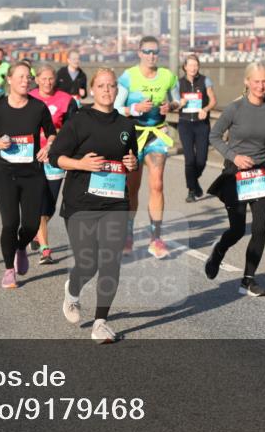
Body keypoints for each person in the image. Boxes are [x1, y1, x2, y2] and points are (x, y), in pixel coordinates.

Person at [48, 68, 139, 343]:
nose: (107, 90)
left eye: (111, 86)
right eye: (101, 86)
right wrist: (81, 164)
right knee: (88, 263)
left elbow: (130, 158)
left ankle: (100, 322)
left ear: (116, 90)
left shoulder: (126, 125)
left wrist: (132, 164)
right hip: (81, 203)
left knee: (111, 261)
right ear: (92, 90)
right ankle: (72, 292)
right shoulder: (79, 121)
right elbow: (55, 157)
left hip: (114, 203)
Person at [204, 62, 265, 297]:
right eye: (256, 81)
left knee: (260, 228)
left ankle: (248, 280)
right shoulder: (234, 109)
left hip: (260, 174)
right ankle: (219, 251)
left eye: (264, 81)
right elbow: (215, 135)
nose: (261, 86)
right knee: (238, 230)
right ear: (247, 82)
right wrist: (234, 156)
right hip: (235, 174)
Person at [0, 62, 56, 289]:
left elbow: (51, 133)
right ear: (10, 80)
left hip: (32, 173)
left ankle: (22, 247)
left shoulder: (38, 108)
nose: (26, 81)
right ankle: (8, 270)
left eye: (28, 77)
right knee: (10, 223)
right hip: (5, 172)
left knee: (32, 224)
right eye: (21, 77)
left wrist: (48, 147)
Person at [114, 35, 181, 258]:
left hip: (156, 135)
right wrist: (135, 108)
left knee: (158, 185)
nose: (152, 56)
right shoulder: (128, 77)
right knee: (132, 189)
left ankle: (156, 238)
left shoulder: (167, 77)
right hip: (134, 136)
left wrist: (170, 105)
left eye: (155, 52)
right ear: (140, 53)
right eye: (148, 51)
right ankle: (128, 235)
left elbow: (179, 101)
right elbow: (116, 107)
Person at [29, 63, 79, 264]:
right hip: (32, 157)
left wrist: (55, 141)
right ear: (37, 79)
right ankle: (45, 249)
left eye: (51, 78)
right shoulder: (28, 98)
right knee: (40, 204)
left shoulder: (66, 100)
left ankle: (35, 231)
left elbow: (73, 129)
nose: (47, 82)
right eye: (44, 78)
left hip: (55, 157)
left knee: (49, 206)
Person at [176, 54, 217, 202]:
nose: (193, 68)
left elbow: (213, 101)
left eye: (196, 65)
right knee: (189, 159)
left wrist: (205, 109)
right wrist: (179, 103)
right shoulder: (178, 83)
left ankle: (194, 182)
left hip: (201, 124)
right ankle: (192, 190)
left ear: (198, 66)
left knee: (201, 160)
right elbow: (173, 104)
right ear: (185, 67)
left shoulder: (205, 80)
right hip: (185, 124)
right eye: (190, 65)